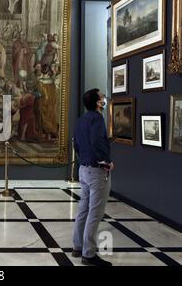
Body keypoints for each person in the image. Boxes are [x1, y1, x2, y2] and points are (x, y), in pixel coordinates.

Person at [72, 88, 113, 266]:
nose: (104, 99)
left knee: (83, 209)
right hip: (97, 171)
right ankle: (88, 254)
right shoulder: (97, 118)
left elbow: (76, 143)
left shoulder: (81, 120)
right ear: (97, 103)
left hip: (83, 168)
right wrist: (107, 161)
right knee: (95, 212)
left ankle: (77, 246)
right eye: (102, 97)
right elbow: (97, 141)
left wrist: (84, 159)